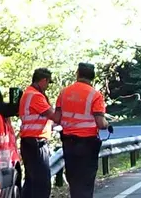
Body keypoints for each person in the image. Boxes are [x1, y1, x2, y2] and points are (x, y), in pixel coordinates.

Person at [56, 63, 112, 198]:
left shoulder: (64, 92)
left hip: (68, 142)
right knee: (86, 179)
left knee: (73, 178)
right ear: (92, 77)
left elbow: (57, 118)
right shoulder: (95, 95)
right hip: (87, 143)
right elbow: (100, 123)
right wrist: (107, 124)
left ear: (77, 74)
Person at [19, 68, 62, 198]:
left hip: (28, 141)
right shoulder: (36, 96)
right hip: (36, 142)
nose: (48, 86)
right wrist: (60, 107)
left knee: (31, 181)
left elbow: (39, 118)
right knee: (42, 182)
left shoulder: (28, 93)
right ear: (43, 80)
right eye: (48, 83)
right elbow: (54, 116)